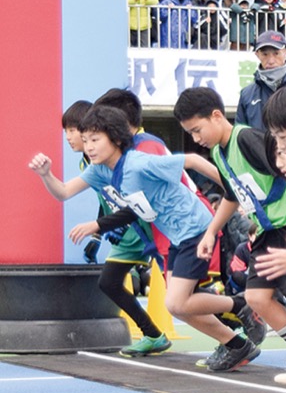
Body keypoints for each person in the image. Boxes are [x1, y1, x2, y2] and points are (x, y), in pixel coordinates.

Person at [29, 105, 262, 371]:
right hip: (177, 237)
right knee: (179, 306)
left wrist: (234, 191)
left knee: (176, 302)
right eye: (86, 140)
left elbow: (194, 161)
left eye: (95, 140)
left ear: (115, 139)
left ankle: (241, 305)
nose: (89, 147)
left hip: (195, 228)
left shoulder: (139, 163)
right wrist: (45, 174)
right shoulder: (98, 170)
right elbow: (63, 192)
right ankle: (235, 344)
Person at [174, 87, 286, 385]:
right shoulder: (218, 152)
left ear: (216, 116)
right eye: (191, 133)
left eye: (198, 130)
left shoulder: (247, 139)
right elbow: (231, 195)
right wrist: (212, 231)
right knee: (256, 297)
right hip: (267, 232)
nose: (196, 138)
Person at [37, 101, 170, 357]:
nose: (70, 138)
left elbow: (136, 201)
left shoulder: (127, 158)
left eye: (74, 131)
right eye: (71, 133)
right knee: (109, 282)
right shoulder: (92, 166)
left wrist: (96, 228)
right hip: (127, 233)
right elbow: (90, 197)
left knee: (182, 296)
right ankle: (153, 334)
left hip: (152, 228)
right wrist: (46, 174)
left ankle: (235, 321)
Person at [236, 31, 286, 131]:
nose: (271, 60)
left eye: (276, 53)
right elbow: (240, 134)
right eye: (265, 54)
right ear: (257, 54)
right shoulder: (247, 94)